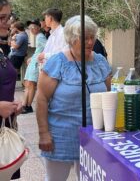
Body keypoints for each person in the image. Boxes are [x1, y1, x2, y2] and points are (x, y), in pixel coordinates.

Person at [36, 15, 112, 181]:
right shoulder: (57, 62)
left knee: (91, 178)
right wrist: (43, 133)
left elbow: (108, 94)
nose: (90, 42)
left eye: (92, 37)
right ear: (71, 39)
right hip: (61, 135)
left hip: (95, 135)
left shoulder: (100, 62)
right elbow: (41, 98)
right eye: (85, 38)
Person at [0, 0, 23, 180]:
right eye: (2, 18)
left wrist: (12, 105)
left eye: (8, 17)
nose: (8, 23)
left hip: (4, 131)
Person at [22, 19, 47, 114]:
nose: (32, 29)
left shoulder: (40, 37)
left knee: (31, 84)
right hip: (34, 62)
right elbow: (39, 50)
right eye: (30, 28)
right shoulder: (38, 36)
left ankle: (27, 105)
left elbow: (47, 47)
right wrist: (32, 57)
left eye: (34, 27)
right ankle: (25, 105)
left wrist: (38, 58)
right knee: (28, 83)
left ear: (38, 28)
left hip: (36, 63)